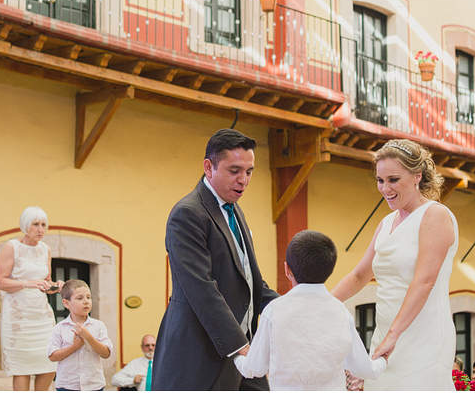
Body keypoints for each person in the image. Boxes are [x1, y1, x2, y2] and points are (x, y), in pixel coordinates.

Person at [152, 128, 279, 390]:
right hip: (201, 353)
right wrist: (241, 347)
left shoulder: (234, 211)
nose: (243, 180)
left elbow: (248, 280)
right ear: (209, 168)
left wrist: (292, 308)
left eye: (249, 171)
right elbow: (201, 288)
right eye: (234, 171)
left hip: (243, 351)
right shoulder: (187, 214)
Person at [331, 139, 458, 390]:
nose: (385, 188)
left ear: (416, 177)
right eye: (380, 180)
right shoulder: (386, 223)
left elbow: (425, 281)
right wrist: (317, 303)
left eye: (393, 180)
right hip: (384, 336)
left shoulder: (435, 215)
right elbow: (358, 276)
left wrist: (394, 335)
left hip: (423, 338)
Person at [233, 230, 387, 390]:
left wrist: (236, 355)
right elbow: (364, 369)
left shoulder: (274, 311)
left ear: (287, 269)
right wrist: (382, 360)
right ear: (330, 269)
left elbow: (254, 368)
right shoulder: (341, 313)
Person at [0, 206, 65, 391]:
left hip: (41, 316)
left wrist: (55, 286)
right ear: (26, 225)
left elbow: (45, 283)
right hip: (19, 317)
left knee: (49, 363)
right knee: (22, 367)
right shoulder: (12, 246)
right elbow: (0, 282)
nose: (40, 229)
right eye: (36, 224)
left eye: (43, 224)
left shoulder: (46, 249)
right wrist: (27, 283)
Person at [47, 279, 112, 391]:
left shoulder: (98, 325)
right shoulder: (60, 328)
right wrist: (74, 347)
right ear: (66, 303)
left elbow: (106, 353)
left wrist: (89, 337)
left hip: (94, 386)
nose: (86, 301)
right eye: (80, 298)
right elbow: (52, 356)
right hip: (67, 386)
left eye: (88, 297)